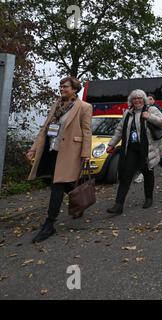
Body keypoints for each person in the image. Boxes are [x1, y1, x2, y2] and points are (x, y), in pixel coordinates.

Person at [26, 76, 92, 243]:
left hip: (70, 151)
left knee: (57, 184)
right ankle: (79, 203)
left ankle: (49, 224)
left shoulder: (84, 107)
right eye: (61, 86)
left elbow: (87, 131)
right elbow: (45, 127)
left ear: (75, 89)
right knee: (61, 183)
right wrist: (34, 148)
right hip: (51, 150)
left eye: (65, 87)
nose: (62, 89)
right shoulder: (56, 105)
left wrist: (86, 153)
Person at [106, 89, 162, 214]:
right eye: (134, 98)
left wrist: (149, 117)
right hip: (132, 149)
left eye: (140, 98)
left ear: (143, 99)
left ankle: (149, 198)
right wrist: (112, 144)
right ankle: (119, 204)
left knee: (148, 172)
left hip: (147, 148)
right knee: (126, 175)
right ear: (131, 101)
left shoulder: (151, 110)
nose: (137, 100)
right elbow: (119, 130)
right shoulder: (128, 113)